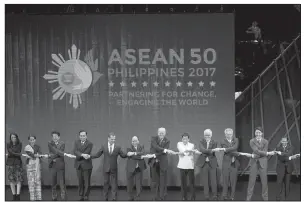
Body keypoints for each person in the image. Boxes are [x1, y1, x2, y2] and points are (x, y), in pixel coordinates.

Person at [90, 132, 127, 201]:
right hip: (106, 168)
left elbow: (123, 155)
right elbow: (97, 154)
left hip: (114, 168)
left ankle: (114, 197)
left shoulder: (117, 147)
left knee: (114, 184)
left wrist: (128, 154)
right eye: (112, 139)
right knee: (105, 183)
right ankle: (105, 197)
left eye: (114, 139)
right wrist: (89, 156)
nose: (113, 140)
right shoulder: (104, 146)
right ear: (108, 138)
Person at [246, 126, 275, 201]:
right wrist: (268, 153)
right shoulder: (252, 141)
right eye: (256, 132)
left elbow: (261, 153)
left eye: (259, 132)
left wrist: (255, 155)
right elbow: (256, 151)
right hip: (254, 162)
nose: (258, 134)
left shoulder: (265, 141)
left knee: (264, 182)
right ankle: (248, 199)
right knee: (251, 181)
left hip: (263, 162)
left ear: (262, 133)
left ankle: (265, 199)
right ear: (255, 133)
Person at [148, 127, 174, 201]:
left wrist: (155, 154)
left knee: (162, 180)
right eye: (160, 132)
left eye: (162, 132)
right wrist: (165, 150)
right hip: (153, 162)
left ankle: (161, 196)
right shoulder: (153, 139)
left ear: (165, 133)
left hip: (163, 162)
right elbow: (155, 147)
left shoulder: (167, 141)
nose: (161, 134)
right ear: (157, 132)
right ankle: (155, 196)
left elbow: (162, 152)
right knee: (154, 180)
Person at [196, 129, 220, 200]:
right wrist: (212, 150)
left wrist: (206, 152)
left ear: (211, 135)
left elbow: (206, 152)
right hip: (204, 163)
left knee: (213, 180)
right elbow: (202, 149)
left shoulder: (215, 142)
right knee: (205, 181)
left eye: (208, 135)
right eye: (206, 135)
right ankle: (206, 196)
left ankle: (215, 195)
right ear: (204, 135)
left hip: (212, 163)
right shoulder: (201, 141)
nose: (207, 136)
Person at [177, 132, 200, 201]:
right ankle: (184, 197)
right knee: (183, 183)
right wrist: (190, 151)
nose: (185, 140)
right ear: (182, 139)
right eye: (183, 139)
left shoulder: (192, 145)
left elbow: (188, 152)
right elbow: (183, 151)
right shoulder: (179, 144)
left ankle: (193, 196)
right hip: (182, 166)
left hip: (190, 166)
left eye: (186, 139)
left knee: (191, 183)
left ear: (188, 139)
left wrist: (190, 151)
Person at [25, 135, 48, 201]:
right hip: (29, 165)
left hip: (37, 165)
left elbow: (40, 154)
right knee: (31, 181)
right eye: (30, 140)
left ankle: (38, 197)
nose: (32, 141)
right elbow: (31, 155)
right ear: (29, 140)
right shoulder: (27, 147)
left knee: (37, 180)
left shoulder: (38, 147)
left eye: (33, 139)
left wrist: (36, 155)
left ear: (35, 140)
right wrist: (35, 155)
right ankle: (32, 198)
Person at [73, 130, 93, 201]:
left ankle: (86, 195)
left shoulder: (90, 143)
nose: (82, 137)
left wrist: (79, 154)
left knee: (87, 181)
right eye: (81, 136)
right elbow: (75, 151)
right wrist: (81, 154)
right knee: (80, 181)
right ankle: (81, 194)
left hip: (86, 165)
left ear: (86, 136)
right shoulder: (76, 142)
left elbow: (87, 153)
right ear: (79, 136)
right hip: (78, 165)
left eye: (83, 136)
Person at [220, 128, 240, 201]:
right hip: (226, 163)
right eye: (228, 134)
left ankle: (232, 196)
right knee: (225, 180)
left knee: (233, 181)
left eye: (230, 134)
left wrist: (226, 149)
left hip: (234, 163)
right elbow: (233, 149)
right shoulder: (222, 141)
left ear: (232, 134)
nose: (229, 136)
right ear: (225, 134)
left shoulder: (236, 140)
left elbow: (235, 147)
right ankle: (224, 195)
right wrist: (235, 152)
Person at [126, 136, 147, 201]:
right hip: (130, 167)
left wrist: (134, 153)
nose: (134, 142)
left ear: (138, 141)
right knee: (130, 183)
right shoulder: (129, 148)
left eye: (135, 141)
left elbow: (143, 153)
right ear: (131, 142)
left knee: (139, 183)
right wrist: (140, 157)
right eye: (133, 141)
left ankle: (138, 196)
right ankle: (130, 197)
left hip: (139, 167)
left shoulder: (141, 146)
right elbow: (133, 157)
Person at [48, 131, 67, 201]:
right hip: (53, 165)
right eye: (53, 136)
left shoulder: (62, 143)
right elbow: (51, 152)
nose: (54, 138)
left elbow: (59, 153)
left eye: (56, 136)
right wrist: (53, 157)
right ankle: (54, 196)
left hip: (60, 165)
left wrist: (52, 156)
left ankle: (63, 196)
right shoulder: (50, 143)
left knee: (62, 182)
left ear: (59, 137)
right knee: (53, 182)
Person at [6, 133, 23, 201]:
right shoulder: (8, 144)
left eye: (14, 137)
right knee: (11, 180)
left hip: (18, 163)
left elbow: (17, 151)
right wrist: (18, 154)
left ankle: (18, 195)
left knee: (19, 179)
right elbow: (10, 152)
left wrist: (14, 153)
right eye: (12, 137)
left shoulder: (20, 144)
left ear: (17, 138)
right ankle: (14, 194)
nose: (13, 139)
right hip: (10, 164)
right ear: (10, 138)